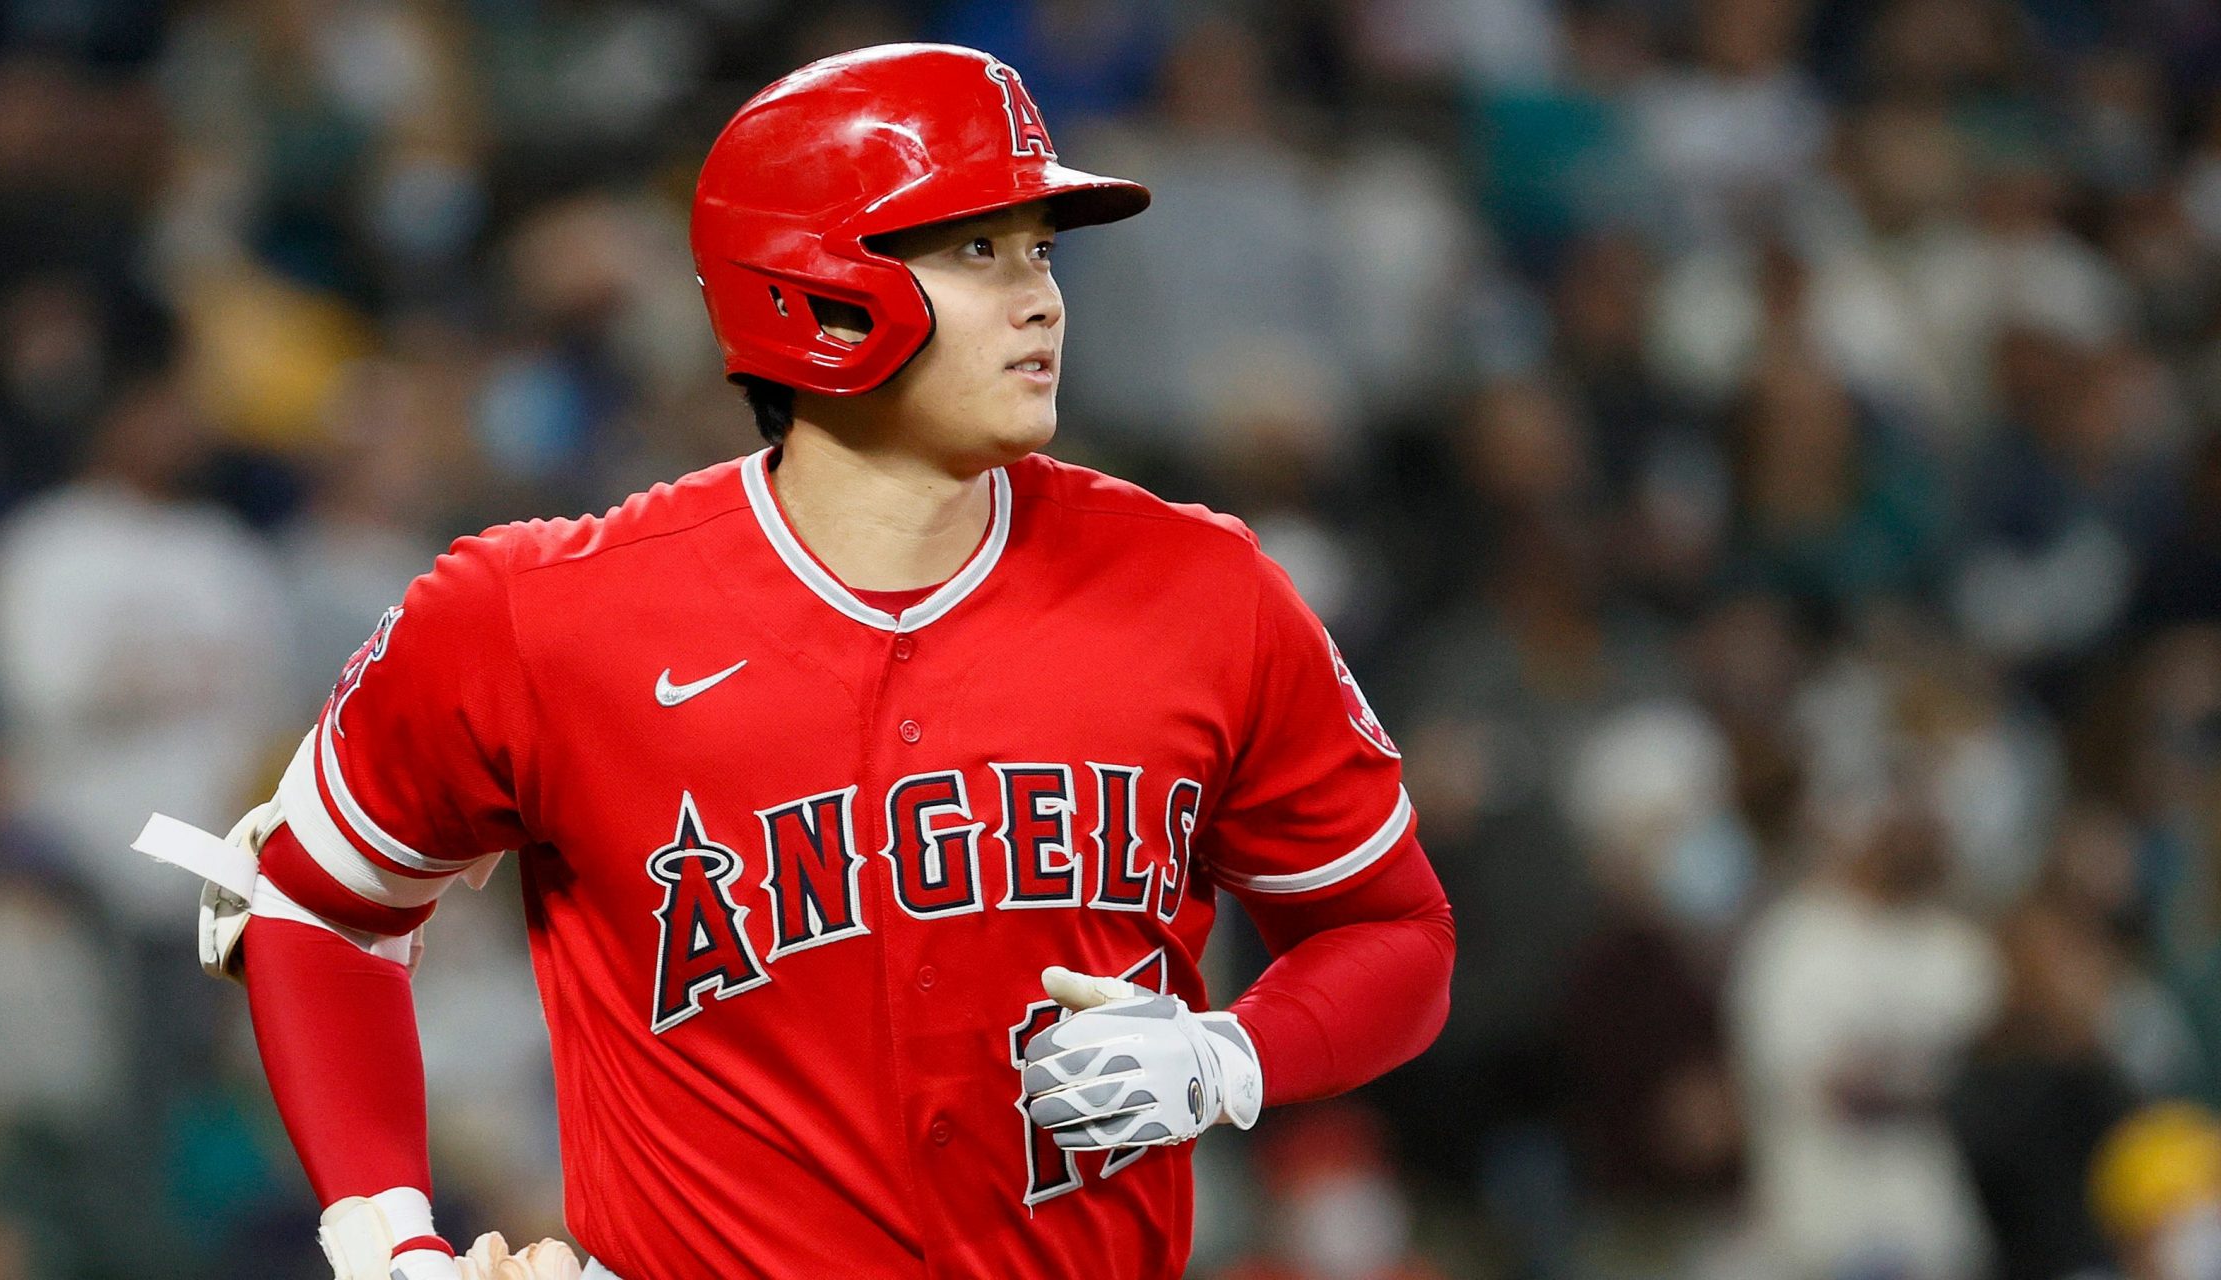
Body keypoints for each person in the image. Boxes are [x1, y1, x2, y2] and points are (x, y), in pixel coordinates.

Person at [138, 44, 1455, 1279]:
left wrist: (1230, 1053)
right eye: (978, 250)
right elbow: (310, 903)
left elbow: (1395, 930)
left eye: (1039, 249)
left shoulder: (1202, 588)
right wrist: (388, 1238)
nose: (1041, 295)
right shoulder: (538, 614)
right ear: (814, 289)